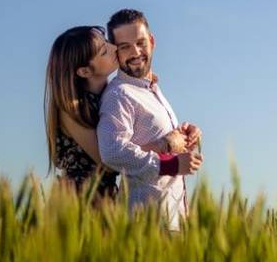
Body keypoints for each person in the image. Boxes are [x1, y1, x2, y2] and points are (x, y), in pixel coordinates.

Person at [43, 25, 188, 199]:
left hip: (107, 196)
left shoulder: (110, 96)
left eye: (107, 43)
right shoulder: (71, 110)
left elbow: (127, 143)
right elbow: (109, 159)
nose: (114, 48)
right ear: (85, 71)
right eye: (104, 51)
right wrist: (164, 144)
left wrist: (180, 134)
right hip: (81, 200)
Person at [97, 9, 203, 230]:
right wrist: (171, 164)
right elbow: (112, 151)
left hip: (173, 221)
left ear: (152, 41)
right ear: (116, 51)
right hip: (146, 225)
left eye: (140, 42)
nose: (135, 52)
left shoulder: (151, 90)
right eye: (125, 47)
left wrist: (184, 133)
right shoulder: (119, 94)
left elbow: (159, 139)